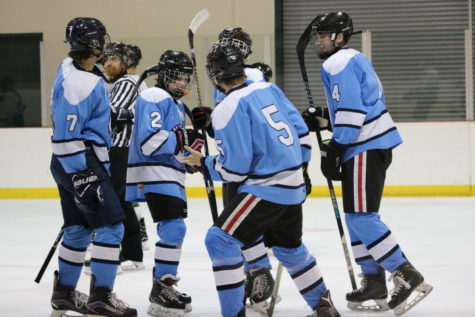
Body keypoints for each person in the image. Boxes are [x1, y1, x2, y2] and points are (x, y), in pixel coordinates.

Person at [181, 43, 338, 317]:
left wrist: (203, 164)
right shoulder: (269, 89)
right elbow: (300, 132)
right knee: (289, 249)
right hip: (292, 185)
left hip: (267, 188)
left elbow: (235, 170)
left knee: (219, 240)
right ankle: (324, 309)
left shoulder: (227, 107)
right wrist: (299, 170)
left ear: (214, 75)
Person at [302, 11, 433, 315]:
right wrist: (324, 116)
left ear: (340, 37)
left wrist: (336, 145)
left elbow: (351, 110)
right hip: (365, 143)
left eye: (324, 35)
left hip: (364, 145)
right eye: (318, 36)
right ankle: (374, 280)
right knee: (355, 217)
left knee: (362, 216)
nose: (319, 41)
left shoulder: (339, 61)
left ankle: (404, 272)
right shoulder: (351, 59)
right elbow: (357, 103)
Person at [49, 17, 136, 317]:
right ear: (95, 45)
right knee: (112, 227)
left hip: (64, 161)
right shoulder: (82, 83)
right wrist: (82, 174)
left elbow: (78, 115)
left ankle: (64, 294)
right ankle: (101, 296)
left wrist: (111, 114)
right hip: (80, 161)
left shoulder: (69, 68)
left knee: (77, 228)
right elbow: (67, 132)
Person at [191, 28, 279, 313]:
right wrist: (209, 121)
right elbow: (230, 124)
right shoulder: (228, 79)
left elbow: (250, 120)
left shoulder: (250, 76)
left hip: (251, 166)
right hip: (236, 159)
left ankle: (259, 274)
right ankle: (253, 275)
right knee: (234, 227)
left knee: (238, 227)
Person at [125, 50, 203, 317]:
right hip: (153, 173)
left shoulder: (176, 104)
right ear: (163, 77)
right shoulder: (153, 96)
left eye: (185, 78)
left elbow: (171, 142)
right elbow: (150, 142)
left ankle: (164, 285)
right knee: (173, 229)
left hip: (168, 173)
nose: (182, 83)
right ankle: (162, 289)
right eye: (177, 78)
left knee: (175, 229)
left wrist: (189, 159)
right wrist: (182, 139)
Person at [102, 41, 145, 272]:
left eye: (114, 59)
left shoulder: (128, 82)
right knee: (121, 200)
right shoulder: (113, 83)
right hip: (114, 149)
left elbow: (110, 114)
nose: (108, 63)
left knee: (114, 200)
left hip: (121, 149)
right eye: (106, 59)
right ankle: (133, 252)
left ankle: (115, 251)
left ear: (124, 63)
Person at [125, 43, 150, 250]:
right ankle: (140, 231)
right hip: (136, 146)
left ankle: (136, 231)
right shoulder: (142, 83)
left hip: (125, 145)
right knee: (133, 189)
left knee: (124, 189)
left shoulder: (129, 82)